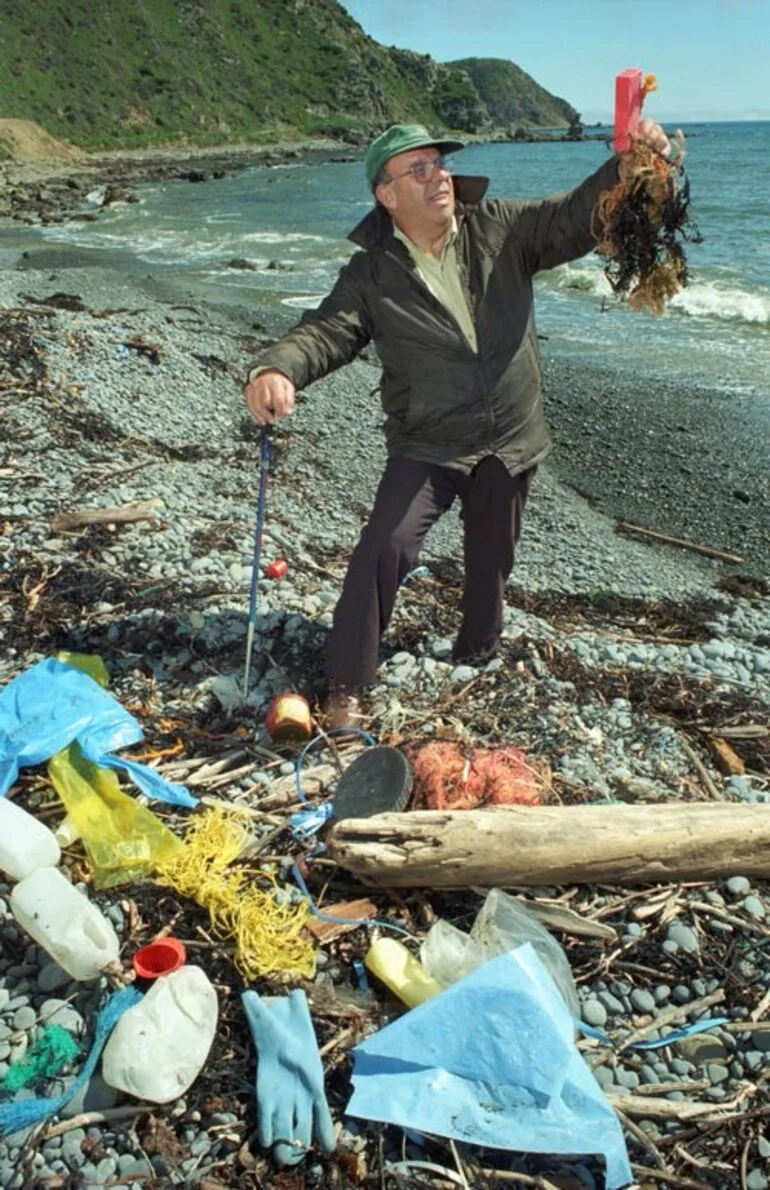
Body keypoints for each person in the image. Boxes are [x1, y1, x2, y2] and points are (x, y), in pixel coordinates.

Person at [243, 119, 670, 727]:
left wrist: (625, 168)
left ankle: (477, 654)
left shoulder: (501, 227)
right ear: (386, 194)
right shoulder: (371, 274)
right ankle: (346, 683)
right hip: (430, 440)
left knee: (492, 558)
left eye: (438, 164)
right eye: (417, 169)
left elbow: (575, 217)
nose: (437, 176)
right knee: (384, 548)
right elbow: (325, 331)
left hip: (510, 435)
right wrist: (275, 368)